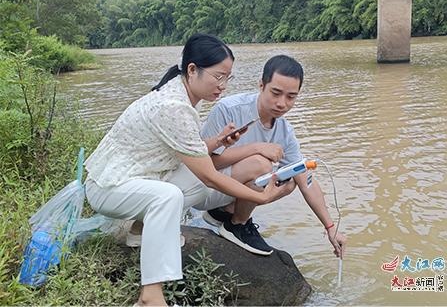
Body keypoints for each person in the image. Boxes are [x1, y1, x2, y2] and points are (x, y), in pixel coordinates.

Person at [83, 34, 294, 307]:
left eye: (227, 78)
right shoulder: (174, 106)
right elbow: (210, 174)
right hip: (108, 188)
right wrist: (261, 197)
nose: (223, 86)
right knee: (170, 195)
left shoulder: (179, 93)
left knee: (193, 182)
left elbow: (187, 152)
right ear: (192, 70)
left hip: (137, 178)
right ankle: (150, 295)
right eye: (218, 77)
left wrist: (217, 142)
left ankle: (140, 228)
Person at [197, 55, 347, 258]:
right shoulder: (229, 110)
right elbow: (203, 162)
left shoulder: (284, 130)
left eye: (291, 97)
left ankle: (225, 213)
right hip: (204, 188)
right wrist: (256, 148)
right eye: (275, 93)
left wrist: (330, 226)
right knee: (261, 165)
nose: (282, 103)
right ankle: (237, 225)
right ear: (261, 84)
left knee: (291, 179)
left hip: (226, 192)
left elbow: (306, 180)